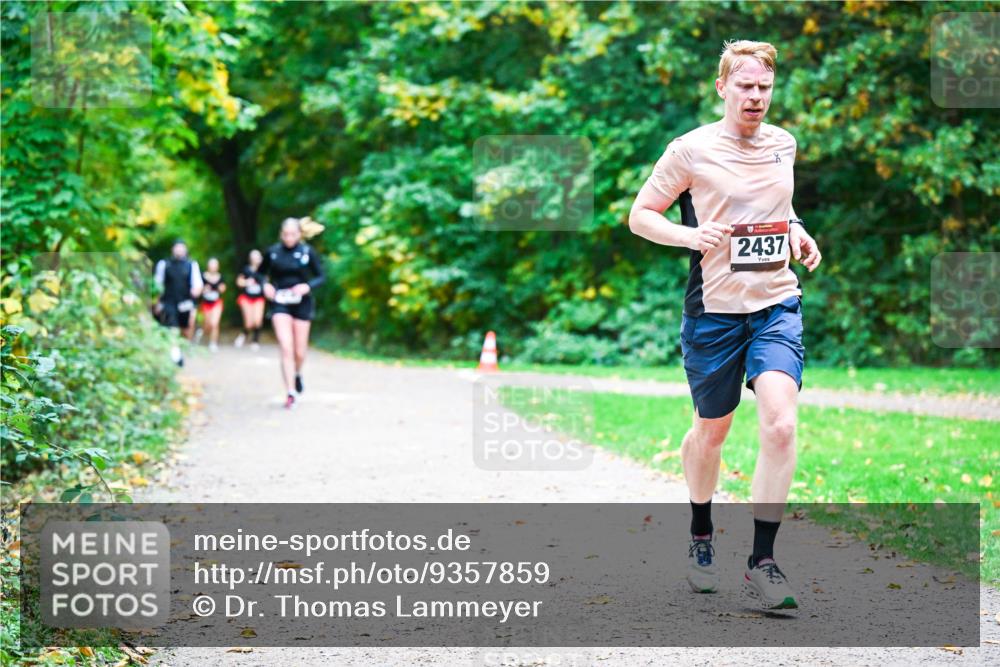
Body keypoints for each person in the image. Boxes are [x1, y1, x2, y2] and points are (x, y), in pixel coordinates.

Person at [628, 40, 822, 610]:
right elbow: (641, 216)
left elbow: (776, 211)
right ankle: (700, 533)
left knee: (781, 425)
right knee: (711, 432)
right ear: (723, 88)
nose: (756, 97)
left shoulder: (783, 143)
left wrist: (797, 230)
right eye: (745, 86)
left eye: (765, 87)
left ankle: (763, 562)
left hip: (775, 304)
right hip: (714, 313)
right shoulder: (689, 151)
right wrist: (689, 236)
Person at [260, 217, 326, 409]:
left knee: (300, 351)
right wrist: (266, 286)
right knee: (286, 347)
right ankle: (290, 392)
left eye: (293, 234)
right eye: (285, 234)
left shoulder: (307, 252)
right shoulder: (273, 252)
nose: (289, 238)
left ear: (299, 234)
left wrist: (307, 286)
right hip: (280, 303)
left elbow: (321, 276)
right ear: (281, 234)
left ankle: (297, 374)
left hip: (302, 303)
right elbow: (259, 273)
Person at [153, 240, 204, 367]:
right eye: (177, 247)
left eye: (181, 248)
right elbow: (158, 285)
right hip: (168, 302)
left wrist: (196, 292)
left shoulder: (192, 265)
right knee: (172, 329)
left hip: (186, 302)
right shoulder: (164, 264)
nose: (179, 250)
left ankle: (180, 351)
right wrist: (157, 303)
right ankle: (176, 356)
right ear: (172, 249)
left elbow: (198, 285)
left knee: (185, 329)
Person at [235, 249, 266, 351]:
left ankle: (255, 341)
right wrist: (246, 282)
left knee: (257, 320)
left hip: (259, 298)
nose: (256, 259)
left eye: (257, 257)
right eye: (254, 257)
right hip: (247, 297)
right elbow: (239, 282)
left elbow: (268, 283)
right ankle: (244, 334)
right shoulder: (246, 269)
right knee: (249, 322)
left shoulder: (264, 271)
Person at [198, 257, 226, 352]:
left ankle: (213, 343)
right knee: (208, 324)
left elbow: (223, 288)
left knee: (215, 323)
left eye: (215, 265)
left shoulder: (220, 277)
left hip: (216, 302)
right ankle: (202, 332)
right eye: (211, 264)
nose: (213, 267)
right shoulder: (202, 276)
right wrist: (203, 289)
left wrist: (219, 287)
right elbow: (198, 289)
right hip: (206, 303)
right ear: (208, 266)